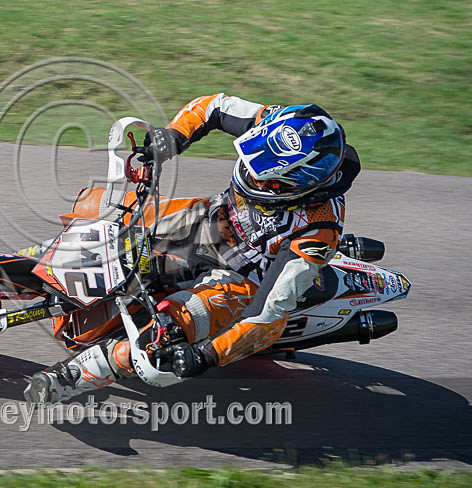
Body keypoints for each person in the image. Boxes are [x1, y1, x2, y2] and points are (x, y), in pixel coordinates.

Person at [23, 93, 360, 403]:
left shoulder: (318, 230)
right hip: (208, 218)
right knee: (97, 213)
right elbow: (215, 107)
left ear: (301, 184)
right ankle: (21, 263)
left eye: (265, 180)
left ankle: (76, 375)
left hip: (242, 280)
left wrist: (205, 357)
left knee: (164, 341)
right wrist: (171, 137)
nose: (252, 177)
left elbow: (267, 314)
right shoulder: (280, 121)